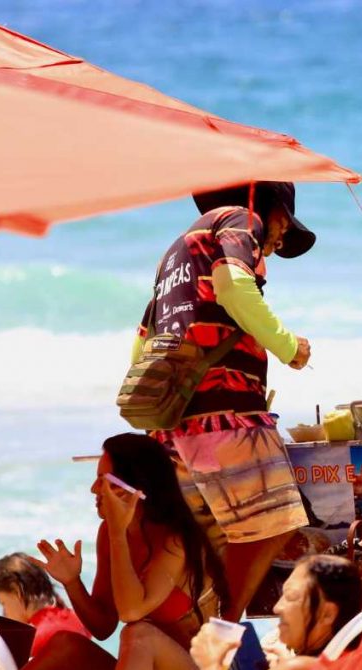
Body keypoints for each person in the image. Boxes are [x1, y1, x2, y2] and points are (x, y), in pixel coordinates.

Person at [135, 181, 315, 621]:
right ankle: (222, 630)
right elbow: (234, 286)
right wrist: (289, 347)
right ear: (271, 209)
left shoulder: (175, 253)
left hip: (172, 427)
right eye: (281, 229)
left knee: (215, 545)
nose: (274, 245)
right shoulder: (240, 219)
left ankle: (201, 648)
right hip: (226, 415)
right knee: (275, 526)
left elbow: (143, 342)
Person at [22, 433, 229, 670]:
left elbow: (131, 611)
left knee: (138, 633)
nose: (93, 489)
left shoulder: (175, 540)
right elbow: (103, 627)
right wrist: (72, 582)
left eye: (103, 480)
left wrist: (119, 534)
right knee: (64, 645)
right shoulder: (109, 532)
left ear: (136, 489)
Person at [191, 554, 362, 670]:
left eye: (290, 596)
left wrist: (210, 664)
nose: (277, 607)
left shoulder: (298, 669)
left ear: (327, 614)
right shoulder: (348, 663)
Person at [0, 552, 90, 657]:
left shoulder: (33, 641)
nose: (4, 613)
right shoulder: (79, 619)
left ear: (17, 591)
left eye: (3, 603)